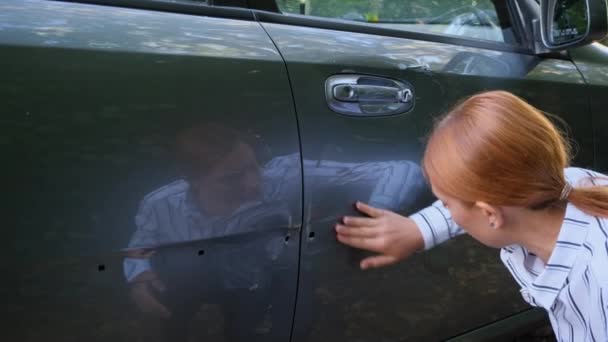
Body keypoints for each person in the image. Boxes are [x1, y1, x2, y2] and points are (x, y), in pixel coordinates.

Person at [335, 90, 608, 342]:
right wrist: (419, 229)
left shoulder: (598, 287)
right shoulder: (570, 183)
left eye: (446, 202)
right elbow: (491, 192)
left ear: (489, 213)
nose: (446, 210)